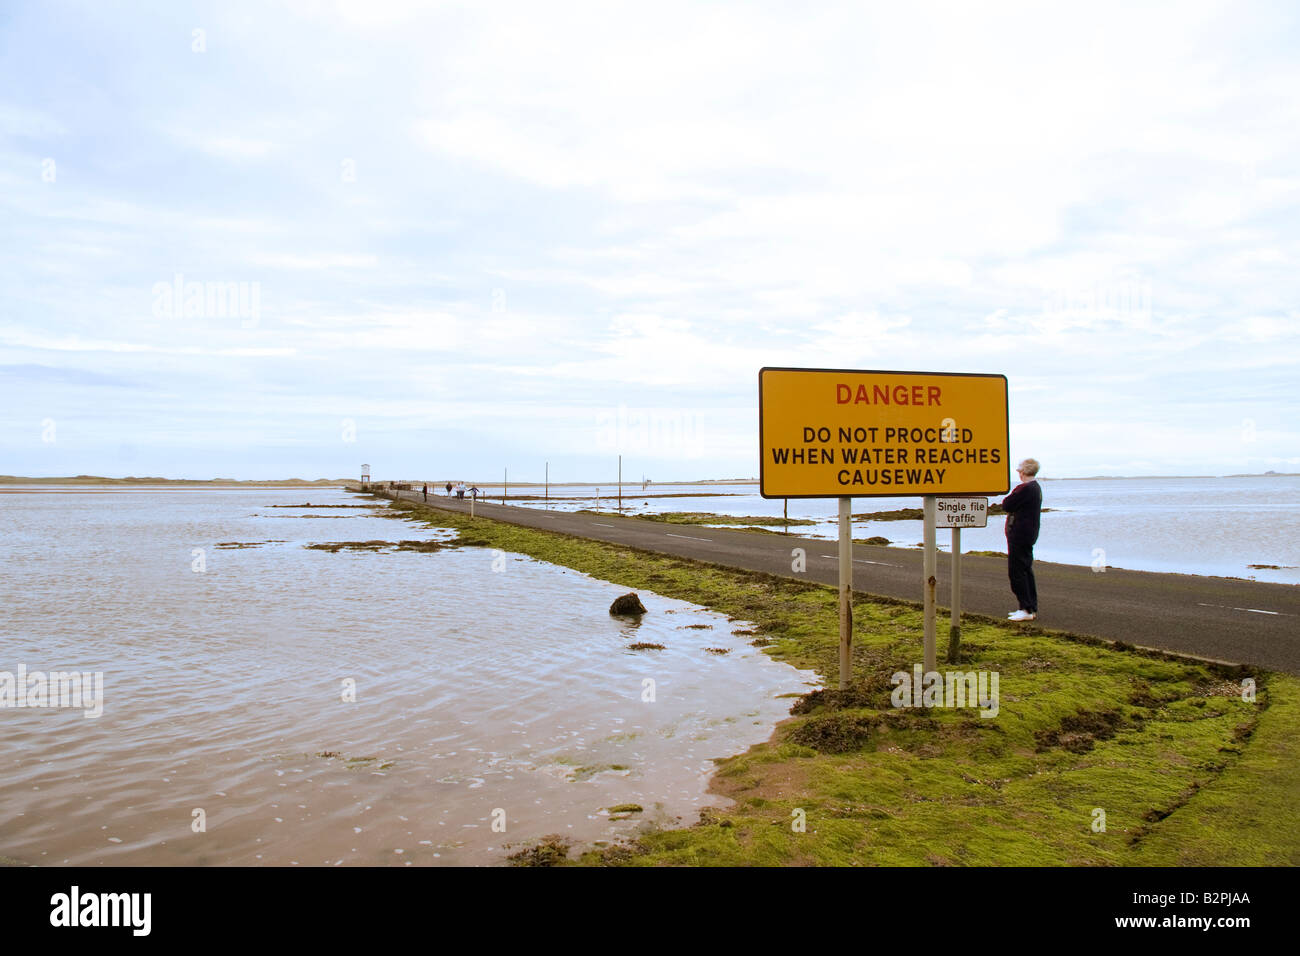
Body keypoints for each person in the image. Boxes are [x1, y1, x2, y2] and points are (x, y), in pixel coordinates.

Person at [999, 458, 1042, 621]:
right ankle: (1030, 607)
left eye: (1019, 470)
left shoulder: (1025, 489)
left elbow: (1007, 504)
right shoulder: (1035, 488)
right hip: (1028, 534)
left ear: (1023, 472)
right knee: (1025, 570)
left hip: (1020, 534)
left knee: (1017, 572)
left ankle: (1026, 608)